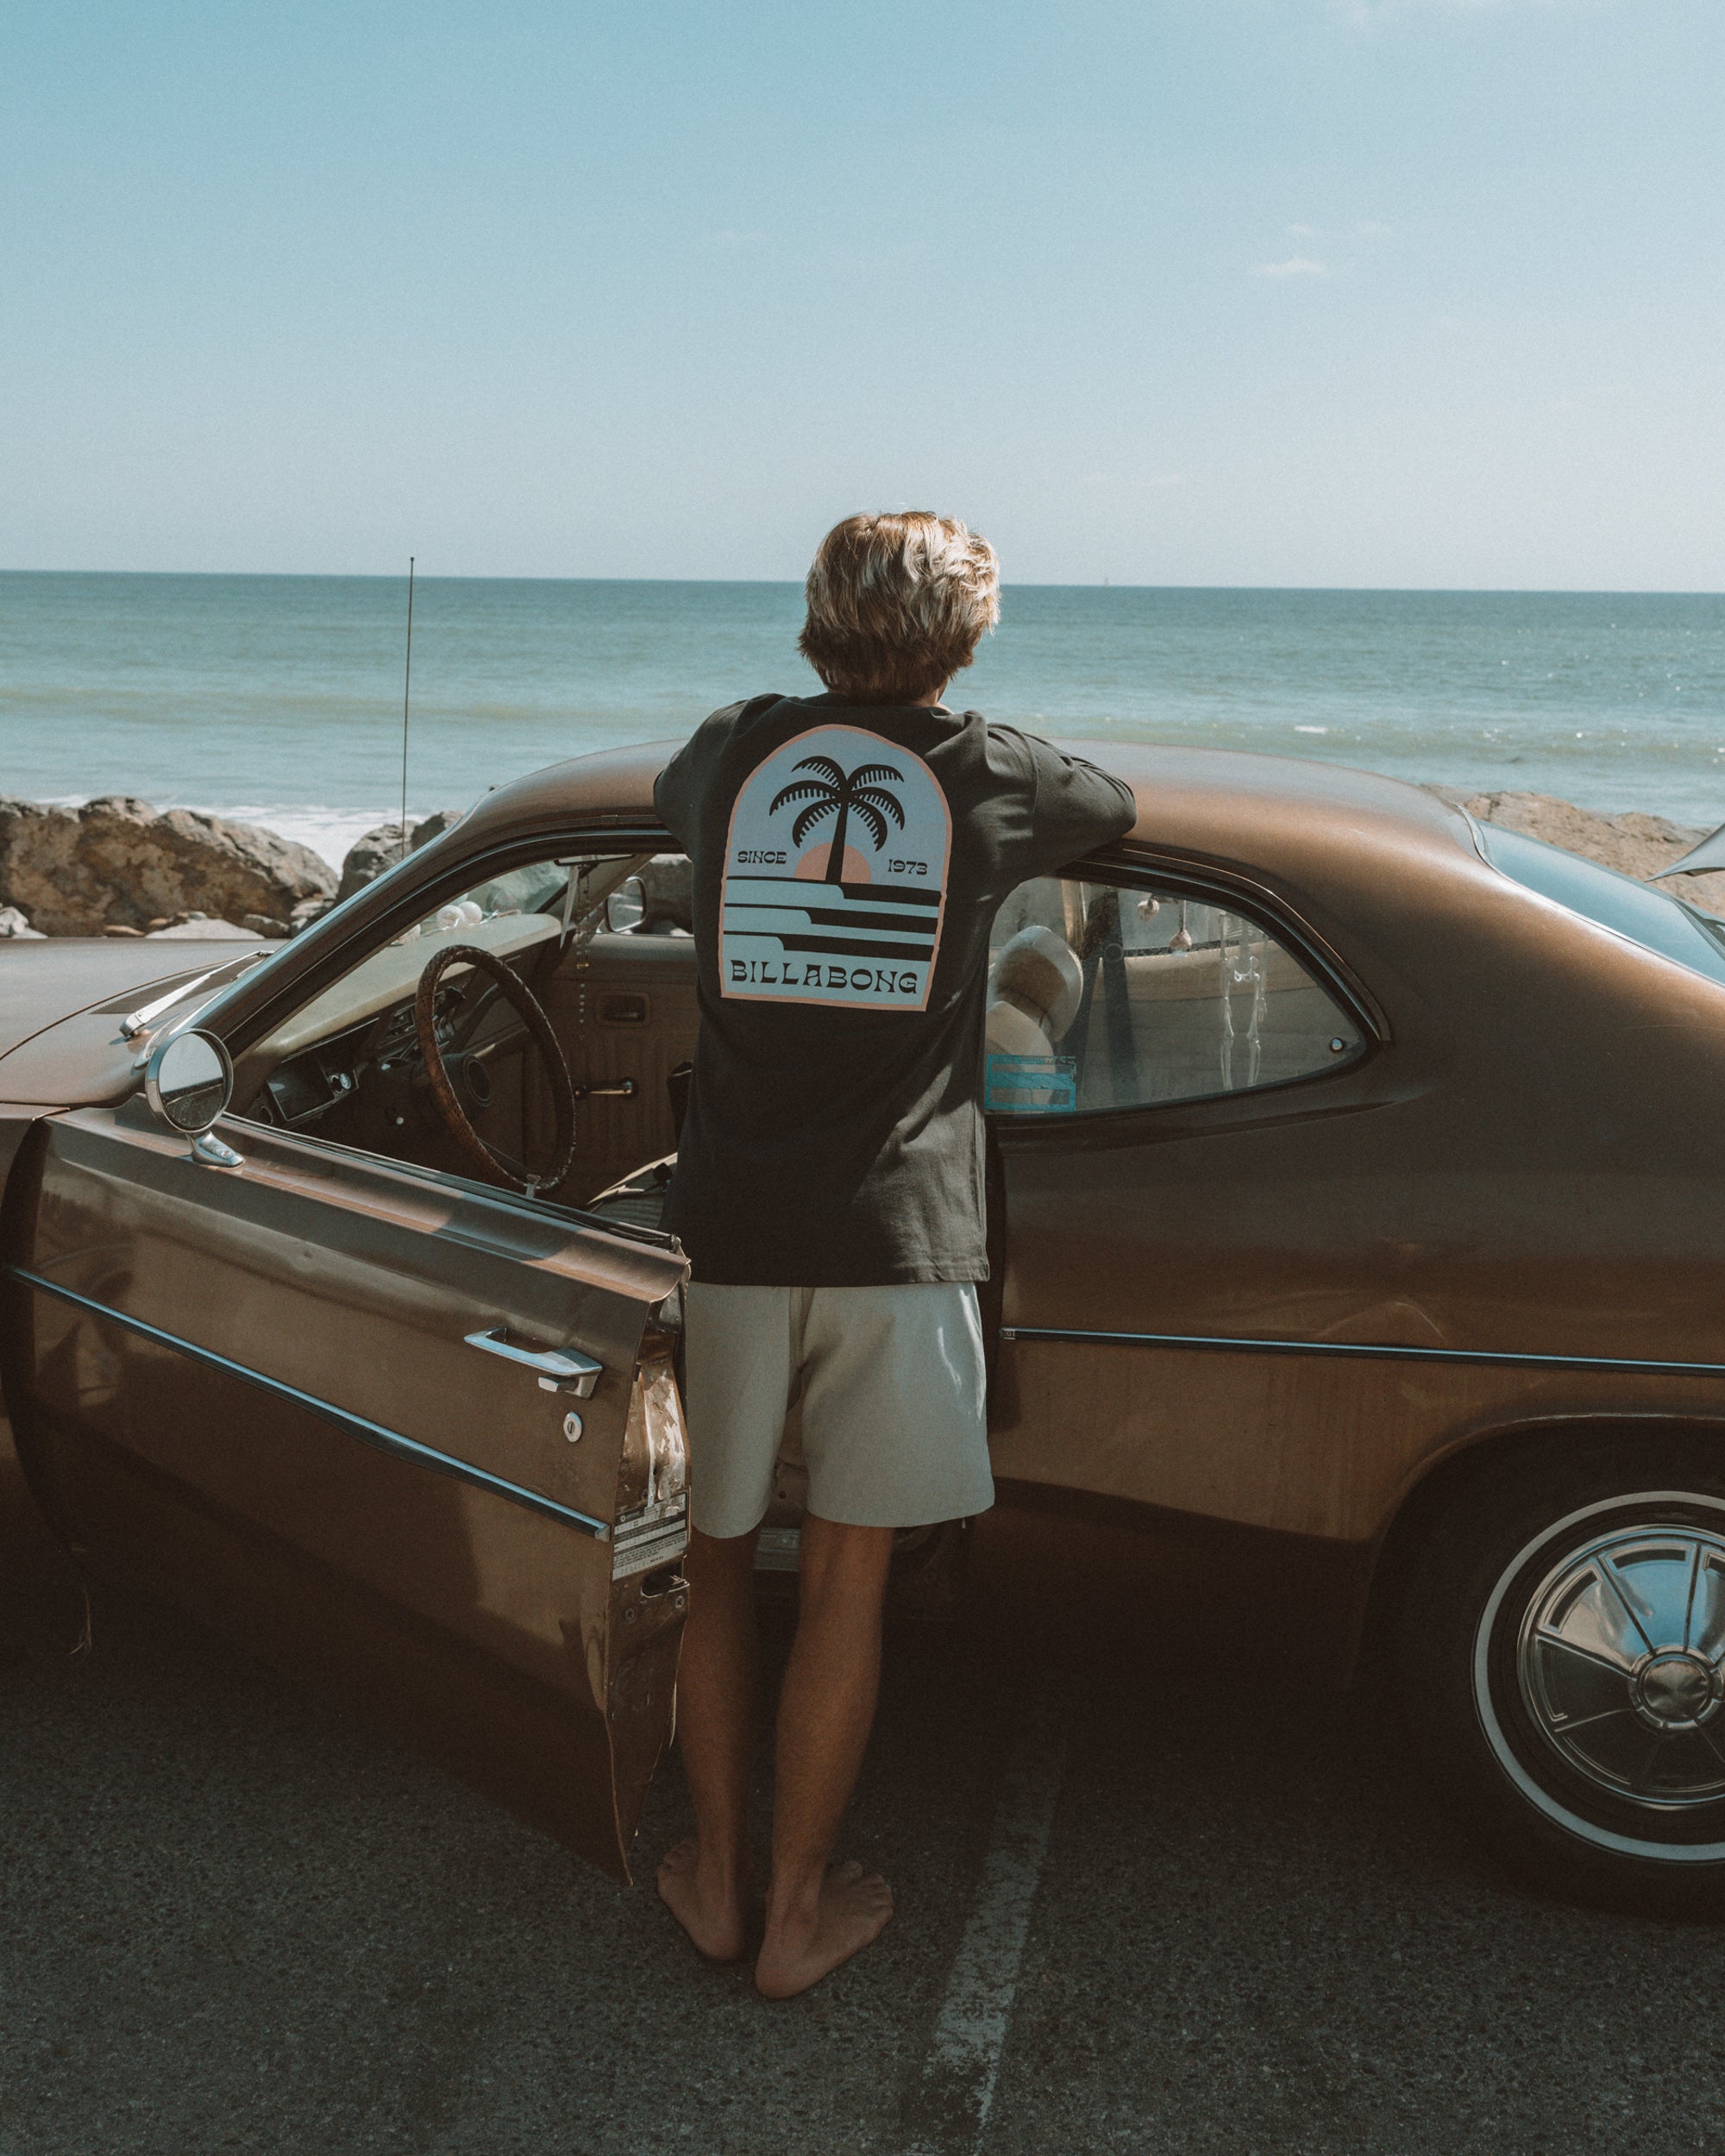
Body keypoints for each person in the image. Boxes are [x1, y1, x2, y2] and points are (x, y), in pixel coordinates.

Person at [652, 511, 1135, 1997]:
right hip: (900, 1238)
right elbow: (1110, 805)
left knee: (712, 1566)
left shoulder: (732, 754)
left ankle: (717, 1882)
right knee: (848, 1582)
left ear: (813, 619)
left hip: (732, 1230)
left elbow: (672, 797)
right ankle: (798, 1912)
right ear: (968, 638)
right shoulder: (988, 774)